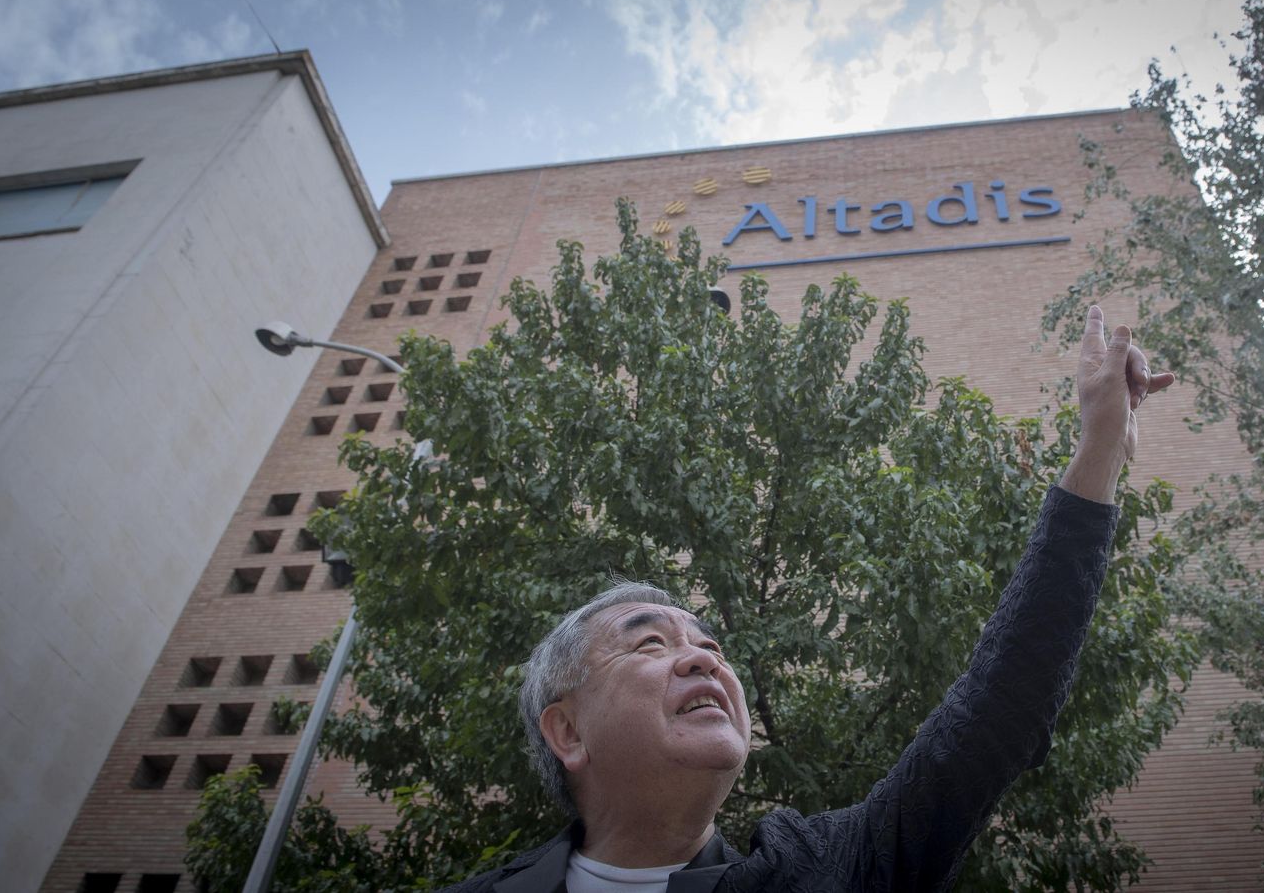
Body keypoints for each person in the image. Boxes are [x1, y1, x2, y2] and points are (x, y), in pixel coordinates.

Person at [442, 305, 1174, 893]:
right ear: (566, 732)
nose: (702, 659)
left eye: (709, 646)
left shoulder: (826, 870)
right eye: (651, 643)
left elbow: (998, 712)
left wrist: (1102, 445)